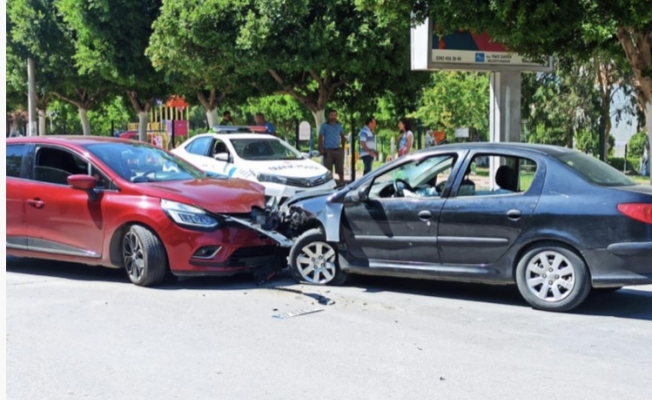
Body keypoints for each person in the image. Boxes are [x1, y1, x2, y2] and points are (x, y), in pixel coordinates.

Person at [319, 110, 346, 185]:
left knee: (340, 168)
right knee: (328, 169)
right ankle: (329, 184)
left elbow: (343, 136)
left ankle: (342, 182)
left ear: (336, 116)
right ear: (329, 116)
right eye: (331, 115)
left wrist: (342, 148)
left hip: (338, 150)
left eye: (335, 115)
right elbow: (320, 137)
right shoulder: (324, 126)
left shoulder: (339, 126)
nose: (333, 117)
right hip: (328, 150)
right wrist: (321, 148)